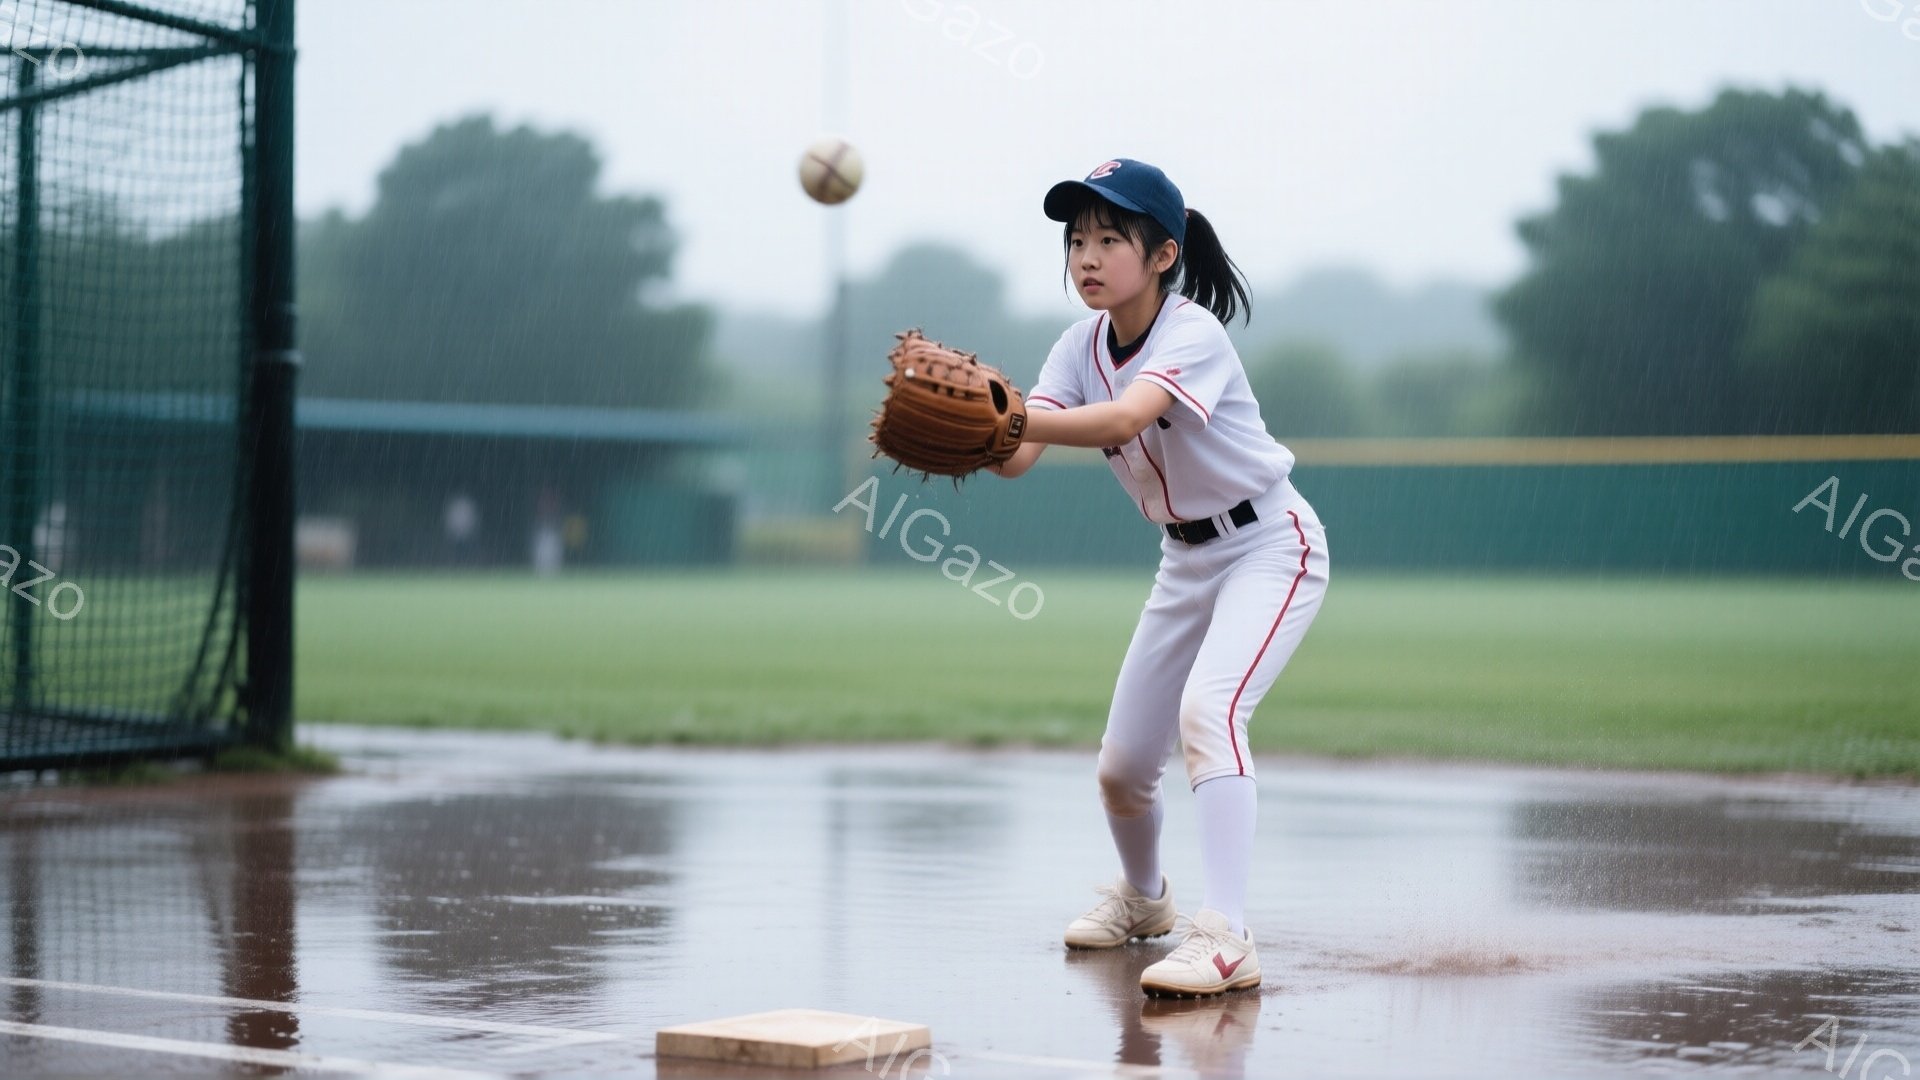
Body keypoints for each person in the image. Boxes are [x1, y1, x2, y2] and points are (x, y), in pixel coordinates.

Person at [988, 158, 1331, 997]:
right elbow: (1021, 459)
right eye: (1076, 241)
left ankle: (1227, 936)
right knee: (1121, 765)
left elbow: (1126, 416)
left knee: (1209, 713)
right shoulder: (1078, 345)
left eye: (1110, 238)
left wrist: (1013, 411)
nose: (1087, 257)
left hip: (1268, 546)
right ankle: (1146, 902)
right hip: (1185, 558)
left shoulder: (1191, 334)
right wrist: (979, 431)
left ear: (1165, 255)